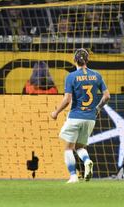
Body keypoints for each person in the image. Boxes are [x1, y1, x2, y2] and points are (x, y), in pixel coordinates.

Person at [50, 48, 110, 183]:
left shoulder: (71, 77)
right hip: (90, 118)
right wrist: (97, 108)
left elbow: (67, 100)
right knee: (80, 147)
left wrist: (56, 113)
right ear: (87, 60)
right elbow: (107, 96)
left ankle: (73, 176)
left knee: (68, 148)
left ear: (74, 60)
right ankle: (87, 161)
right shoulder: (97, 75)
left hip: (75, 116)